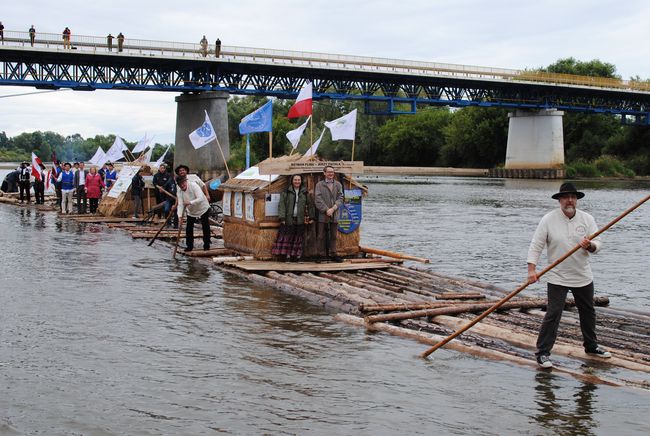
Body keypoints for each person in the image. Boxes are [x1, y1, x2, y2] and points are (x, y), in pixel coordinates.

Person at [527, 182, 611, 369]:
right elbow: (536, 245)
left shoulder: (587, 219)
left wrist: (590, 246)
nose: (570, 200)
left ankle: (591, 346)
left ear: (577, 200)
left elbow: (598, 243)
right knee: (553, 313)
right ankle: (542, 353)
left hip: (582, 274)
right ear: (559, 200)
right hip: (557, 276)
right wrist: (531, 270)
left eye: (573, 197)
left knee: (588, 312)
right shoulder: (548, 219)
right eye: (566, 197)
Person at [272, 174, 312, 261]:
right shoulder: (286, 191)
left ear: (301, 181)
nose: (297, 181)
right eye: (295, 180)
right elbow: (281, 205)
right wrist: (282, 217)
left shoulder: (304, 192)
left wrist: (311, 217)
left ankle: (297, 256)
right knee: (288, 237)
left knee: (298, 237)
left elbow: (310, 205)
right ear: (292, 181)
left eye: (298, 180)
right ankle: (288, 256)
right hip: (288, 218)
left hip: (300, 218)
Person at [314, 165, 344, 262]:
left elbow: (341, 198)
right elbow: (317, 199)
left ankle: (333, 254)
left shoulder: (338, 184)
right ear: (324, 173)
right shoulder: (319, 185)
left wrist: (333, 208)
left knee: (334, 236)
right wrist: (327, 210)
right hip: (323, 214)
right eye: (329, 172)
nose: (331, 174)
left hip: (335, 213)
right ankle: (319, 255)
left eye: (332, 172)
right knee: (320, 235)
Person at [176, 175, 211, 252]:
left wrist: (190, 202)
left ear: (186, 181)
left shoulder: (193, 185)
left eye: (183, 183)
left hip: (202, 208)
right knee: (189, 228)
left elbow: (201, 198)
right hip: (191, 211)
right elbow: (180, 204)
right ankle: (189, 246)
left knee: (205, 226)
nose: (182, 185)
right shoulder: (179, 191)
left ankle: (206, 245)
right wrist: (179, 217)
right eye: (180, 184)